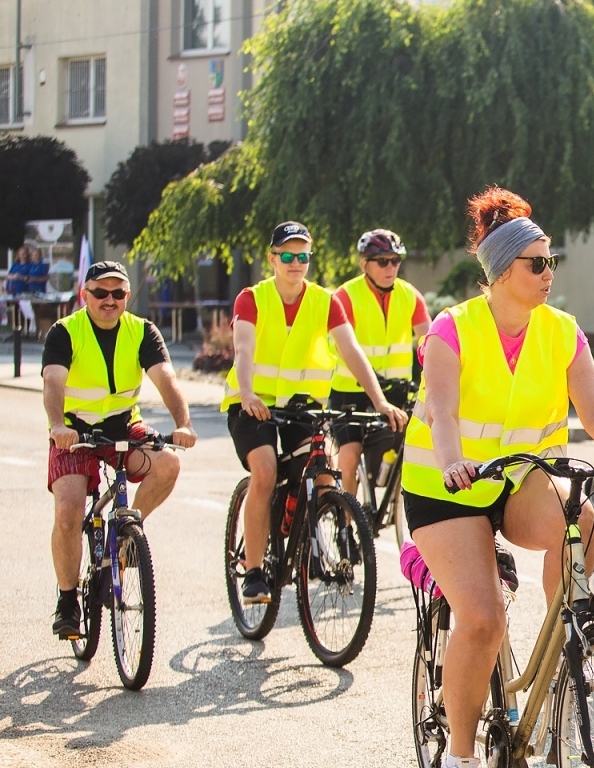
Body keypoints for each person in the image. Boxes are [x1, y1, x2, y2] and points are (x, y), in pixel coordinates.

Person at [401, 187, 594, 768]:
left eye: (551, 261)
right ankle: (459, 757)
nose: (548, 273)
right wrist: (452, 460)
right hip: (446, 488)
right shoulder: (453, 329)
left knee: (579, 518)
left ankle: (568, 642)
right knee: (481, 620)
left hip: (518, 480)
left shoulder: (561, 331)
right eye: (537, 263)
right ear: (503, 270)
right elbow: (442, 411)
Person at [224, 221, 407, 606]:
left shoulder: (325, 301)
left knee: (323, 475)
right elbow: (243, 349)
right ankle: (254, 572)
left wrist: (379, 402)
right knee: (265, 471)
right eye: (287, 256)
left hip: (302, 407)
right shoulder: (252, 298)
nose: (296, 263)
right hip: (253, 405)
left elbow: (352, 351)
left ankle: (309, 545)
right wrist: (247, 393)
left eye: (303, 256)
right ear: (272, 259)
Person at [41, 261, 196, 638]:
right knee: (68, 511)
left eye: (118, 293)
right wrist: (59, 425)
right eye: (100, 293)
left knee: (168, 464)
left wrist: (183, 423)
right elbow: (53, 383)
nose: (109, 300)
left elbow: (166, 379)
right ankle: (67, 600)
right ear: (85, 295)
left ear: (127, 295)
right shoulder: (65, 332)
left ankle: (125, 539)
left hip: (123, 427)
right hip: (75, 431)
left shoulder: (142, 331)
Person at [328, 228, 429, 498]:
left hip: (395, 392)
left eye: (396, 261)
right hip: (350, 392)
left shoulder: (410, 296)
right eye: (383, 261)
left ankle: (383, 507)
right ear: (364, 264)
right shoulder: (346, 296)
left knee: (401, 455)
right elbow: (342, 346)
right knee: (349, 457)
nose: (391, 267)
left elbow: (430, 344)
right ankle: (347, 519)